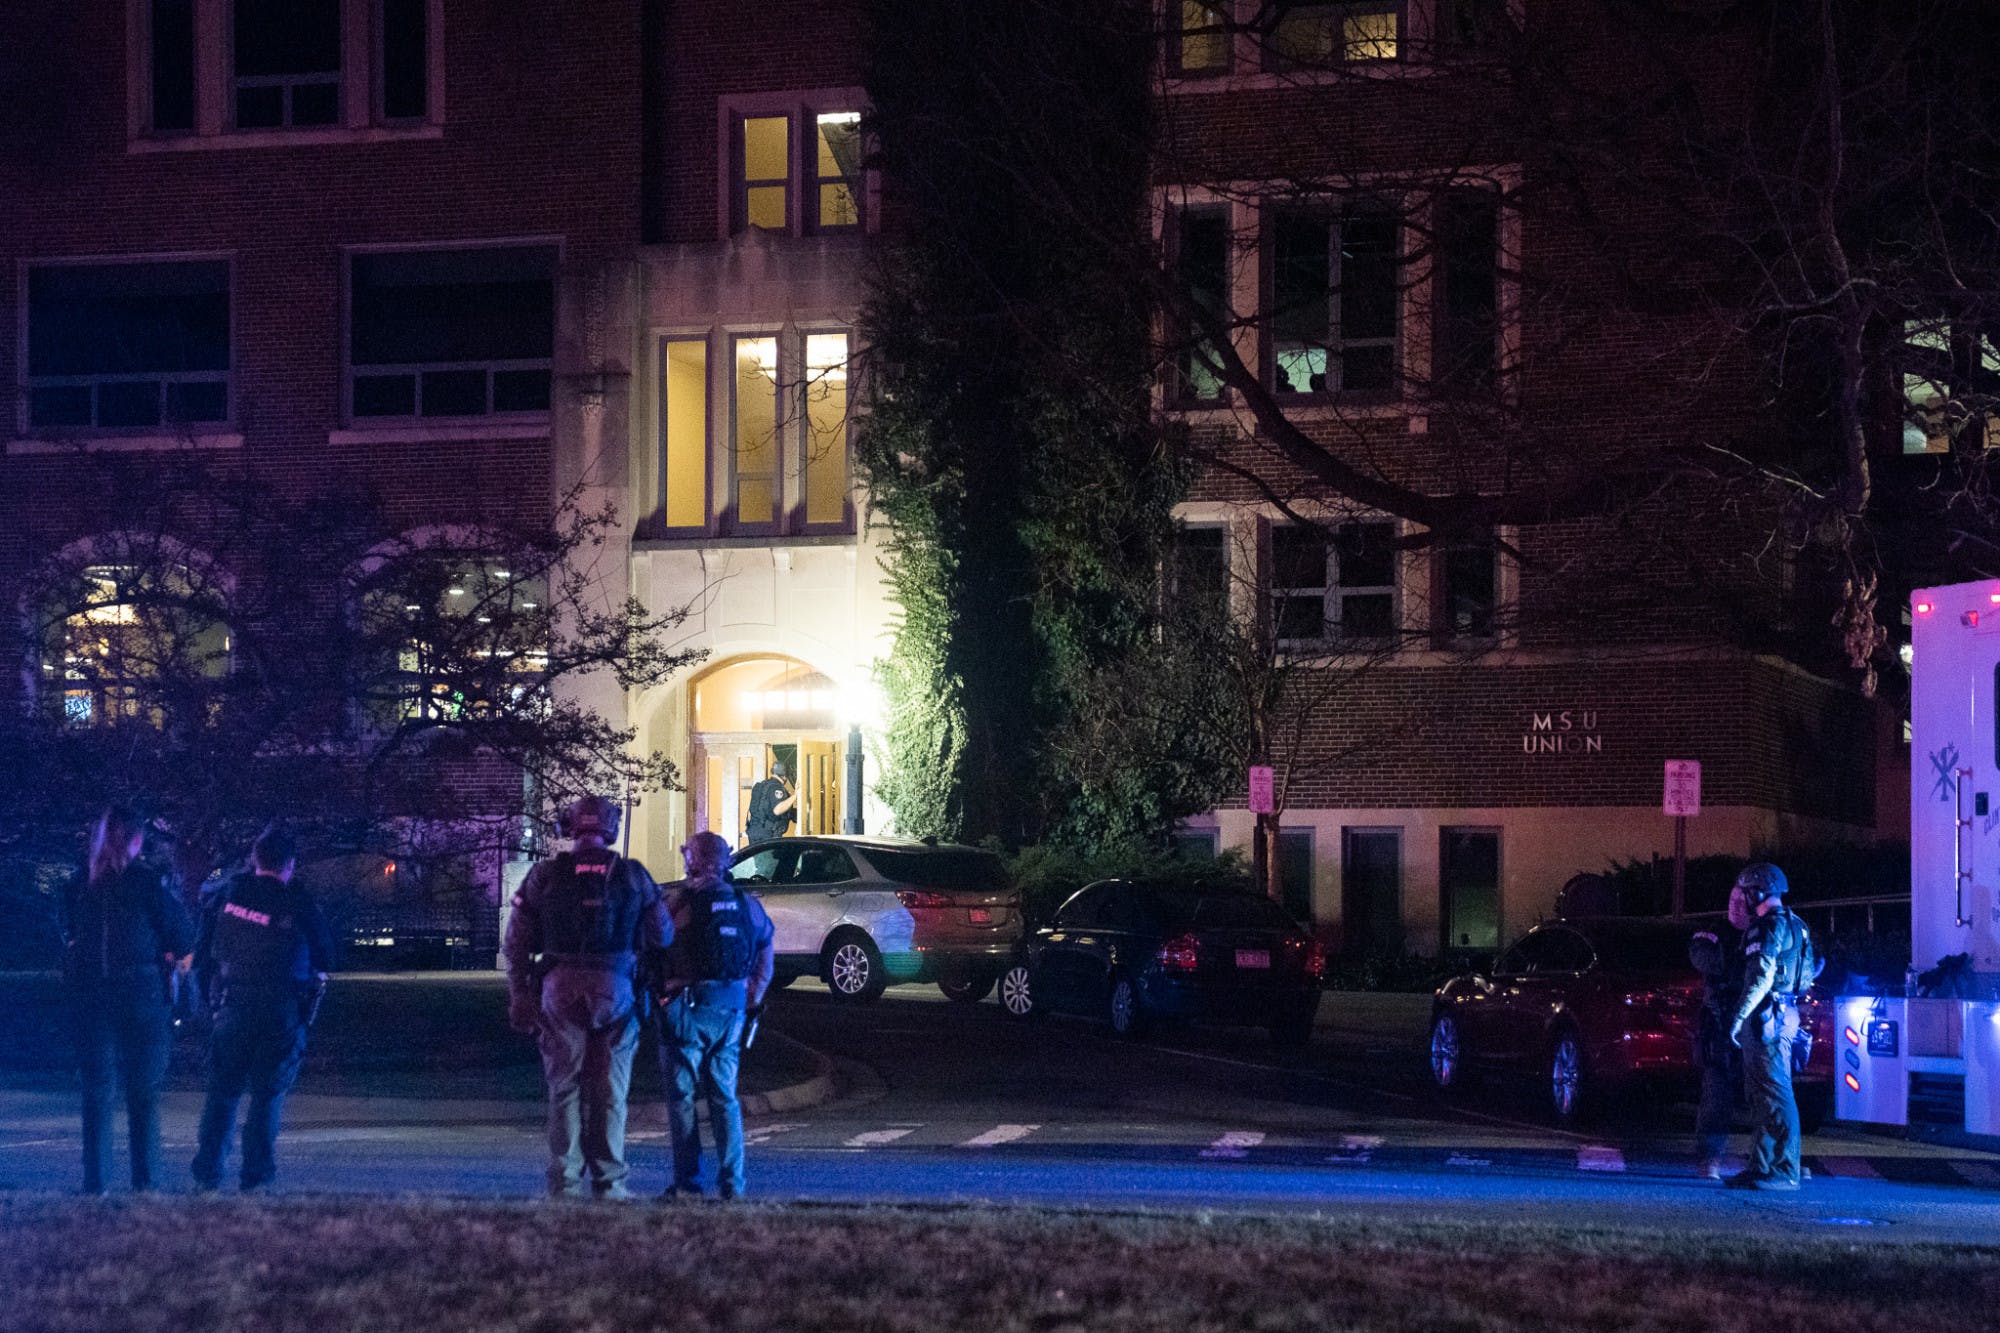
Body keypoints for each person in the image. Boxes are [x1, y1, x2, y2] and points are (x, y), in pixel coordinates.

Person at [504, 795, 668, 1199]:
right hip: (617, 988)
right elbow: (662, 935)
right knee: (611, 1090)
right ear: (611, 829)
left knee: (565, 1087)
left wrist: (520, 993)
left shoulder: (545, 876)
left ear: (568, 827)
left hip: (558, 987)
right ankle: (610, 1182)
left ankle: (565, 1181)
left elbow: (516, 942)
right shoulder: (631, 875)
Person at [190, 823, 334, 1192]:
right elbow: (326, 953)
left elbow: (204, 948)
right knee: (267, 1094)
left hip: (233, 1001)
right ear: (289, 864)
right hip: (280, 1006)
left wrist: (209, 998)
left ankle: (208, 1172)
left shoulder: (228, 893)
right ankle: (255, 1176)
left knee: (223, 1090)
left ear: (255, 859)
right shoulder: (296, 900)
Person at [61, 806, 194, 1193]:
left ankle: (95, 1184)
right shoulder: (148, 885)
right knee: (143, 1093)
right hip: (141, 996)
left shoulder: (78, 886)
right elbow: (183, 938)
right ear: (137, 840)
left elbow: (70, 937)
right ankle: (146, 1184)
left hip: (91, 997)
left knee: (97, 1092)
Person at [654, 830, 775, 1202]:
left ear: (690, 859)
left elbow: (654, 942)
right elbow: (766, 951)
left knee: (683, 1098)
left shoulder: (680, 902)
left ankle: (688, 1185)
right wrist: (750, 996)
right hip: (733, 1010)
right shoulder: (746, 903)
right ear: (725, 861)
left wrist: (662, 994)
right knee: (725, 1098)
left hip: (689, 1008)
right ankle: (732, 1186)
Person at [1725, 861, 1811, 1191]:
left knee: (1775, 1094)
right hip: (1785, 1015)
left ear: (1758, 892)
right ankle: (1761, 1165)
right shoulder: (1797, 925)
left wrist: (1739, 1017)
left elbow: (1761, 976)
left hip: (1766, 1019)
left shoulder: (1767, 926)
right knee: (1762, 1094)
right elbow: (1805, 977)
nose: (1742, 898)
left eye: (1746, 892)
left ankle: (1785, 1169)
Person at [1688, 883, 1751, 1179]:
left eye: (1743, 900)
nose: (1736, 906)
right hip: (1720, 1027)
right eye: (1732, 899)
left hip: (1756, 1026)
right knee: (1716, 1096)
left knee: (1767, 1099)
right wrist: (1747, 964)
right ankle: (1709, 1159)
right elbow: (1704, 957)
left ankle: (1772, 1160)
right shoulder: (1712, 932)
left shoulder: (1767, 932)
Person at [743, 760, 797, 844]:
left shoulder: (761, 786)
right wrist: (795, 796)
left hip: (754, 832)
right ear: (785, 775)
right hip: (768, 835)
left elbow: (763, 809)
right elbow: (777, 810)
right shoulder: (776, 787)